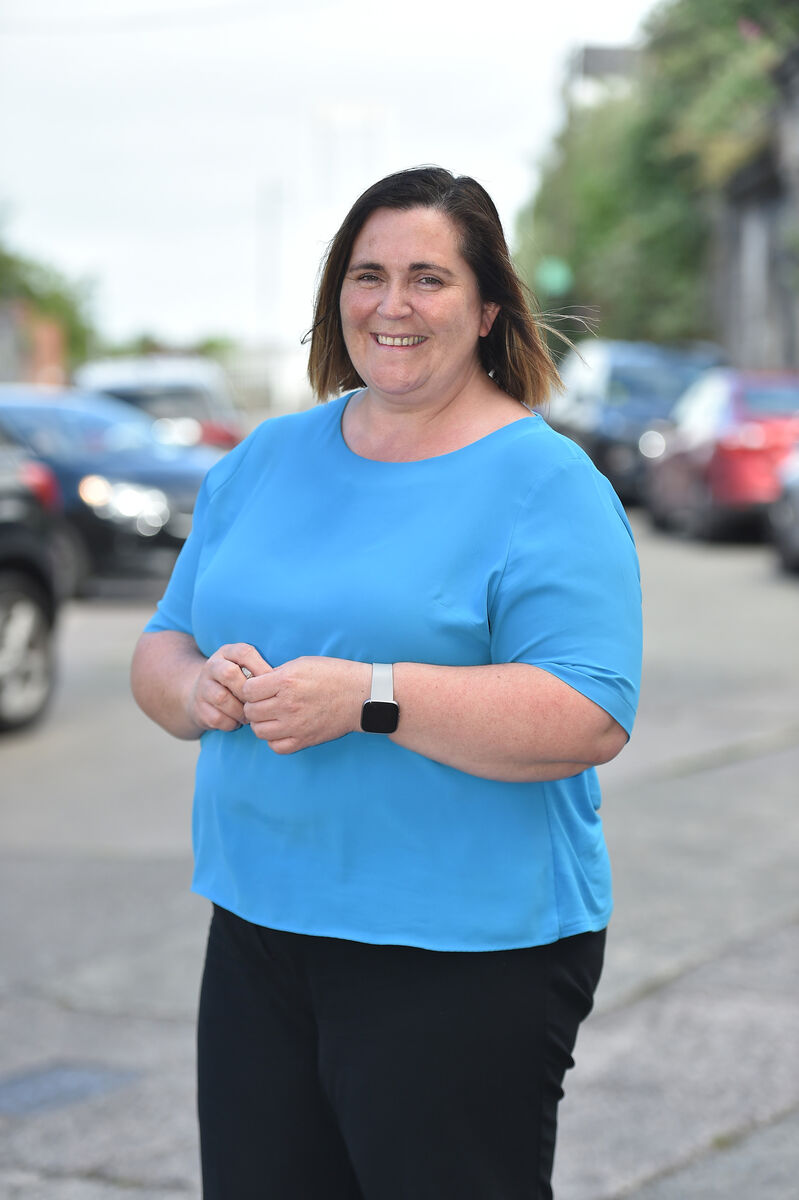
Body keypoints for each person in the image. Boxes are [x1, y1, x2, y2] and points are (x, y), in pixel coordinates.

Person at [131, 165, 642, 1200]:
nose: (391, 305)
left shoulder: (546, 483)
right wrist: (196, 692)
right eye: (367, 276)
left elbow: (588, 713)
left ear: (487, 308)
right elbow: (163, 643)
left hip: (462, 947)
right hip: (261, 924)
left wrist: (371, 696)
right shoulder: (266, 457)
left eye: (427, 278)